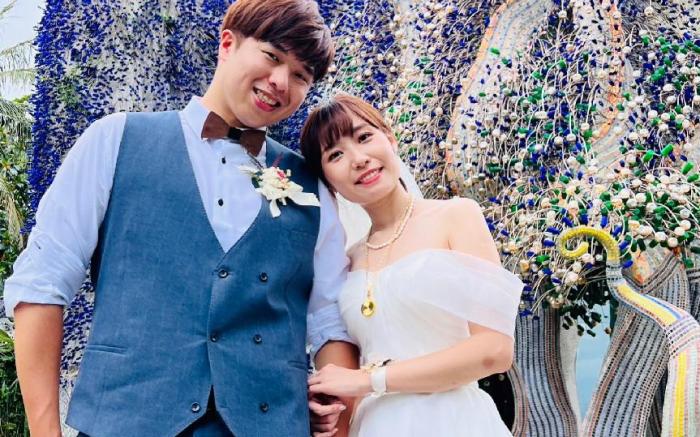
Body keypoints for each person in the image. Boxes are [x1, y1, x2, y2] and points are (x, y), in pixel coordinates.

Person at [5, 1, 358, 435]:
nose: (281, 82)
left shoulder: (311, 187)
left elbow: (330, 322)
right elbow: (42, 283)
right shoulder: (115, 140)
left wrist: (337, 419)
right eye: (272, 56)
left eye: (301, 76)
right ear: (227, 44)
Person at [300, 94, 523, 436]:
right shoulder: (348, 258)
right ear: (328, 181)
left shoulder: (456, 216)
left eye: (364, 137)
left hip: (455, 421)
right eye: (335, 155)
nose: (358, 159)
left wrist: (369, 380)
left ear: (390, 138)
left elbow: (494, 350)